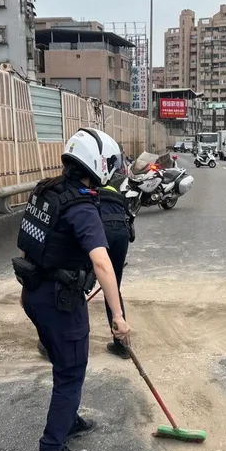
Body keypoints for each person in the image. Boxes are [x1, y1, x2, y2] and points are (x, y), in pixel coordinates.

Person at [14, 128, 131, 451]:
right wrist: (119, 318)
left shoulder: (46, 191)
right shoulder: (81, 205)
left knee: (64, 363)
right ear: (98, 164)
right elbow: (102, 263)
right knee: (71, 371)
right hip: (59, 300)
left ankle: (69, 418)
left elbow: (29, 244)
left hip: (35, 293)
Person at [99, 153, 135, 359]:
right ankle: (122, 345)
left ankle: (53, 344)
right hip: (120, 231)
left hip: (99, 227)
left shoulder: (82, 184)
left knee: (72, 286)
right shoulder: (117, 183)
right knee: (112, 288)